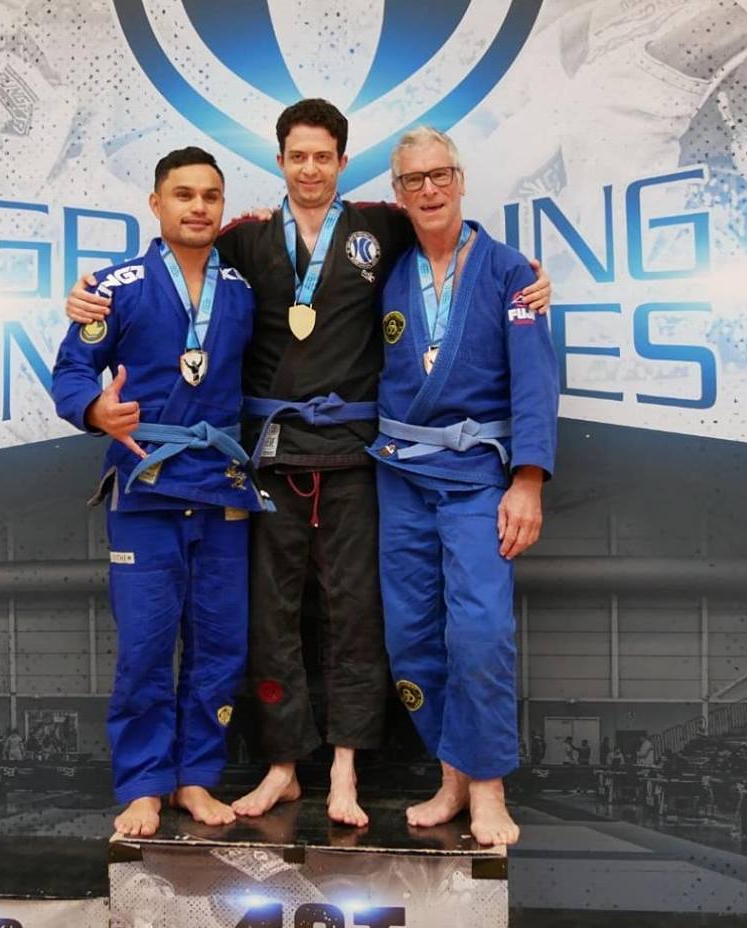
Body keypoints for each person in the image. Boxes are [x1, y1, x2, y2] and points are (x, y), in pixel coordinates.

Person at [65, 99, 554, 826]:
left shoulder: (383, 228)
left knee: (360, 615)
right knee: (269, 620)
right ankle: (283, 765)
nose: (310, 168)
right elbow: (173, 259)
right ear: (280, 161)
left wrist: (523, 279)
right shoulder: (245, 242)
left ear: (343, 164)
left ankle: (350, 771)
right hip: (264, 458)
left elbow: (452, 238)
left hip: (359, 456)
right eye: (298, 156)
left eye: (323, 156)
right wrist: (91, 297)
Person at [52, 146, 270, 839]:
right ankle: (145, 784)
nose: (197, 206)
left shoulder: (243, 287)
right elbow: (70, 371)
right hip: (146, 489)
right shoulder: (114, 287)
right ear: (156, 203)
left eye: (210, 195)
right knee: (146, 646)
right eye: (183, 194)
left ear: (223, 206)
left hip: (224, 491)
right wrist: (95, 411)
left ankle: (196, 779)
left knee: (220, 647)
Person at [370, 126, 558, 846]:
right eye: (412, 180)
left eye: (439, 174)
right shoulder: (385, 268)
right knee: (411, 636)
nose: (428, 189)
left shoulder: (512, 273)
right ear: (397, 193)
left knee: (478, 633)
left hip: (478, 474)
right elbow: (312, 233)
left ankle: (487, 785)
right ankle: (450, 775)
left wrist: (528, 481)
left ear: (460, 178)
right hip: (400, 473)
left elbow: (535, 384)